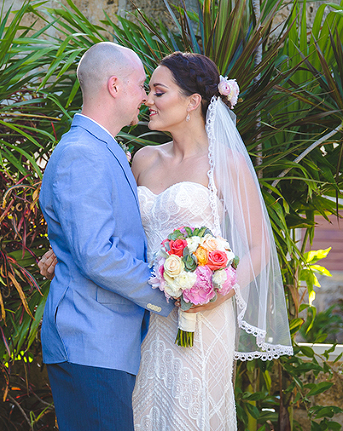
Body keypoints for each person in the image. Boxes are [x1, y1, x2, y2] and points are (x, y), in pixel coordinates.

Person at [39, 52, 294, 430]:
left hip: (200, 315)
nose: (148, 100)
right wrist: (66, 249)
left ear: (193, 102)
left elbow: (259, 248)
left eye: (158, 91)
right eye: (148, 90)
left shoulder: (225, 163)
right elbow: (105, 227)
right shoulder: (142, 159)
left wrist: (215, 289)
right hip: (142, 315)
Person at [37, 41, 174, 431]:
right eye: (140, 85)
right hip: (89, 340)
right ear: (114, 85)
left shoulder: (103, 147)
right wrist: (167, 291)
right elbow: (97, 253)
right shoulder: (84, 152)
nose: (145, 96)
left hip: (106, 342)